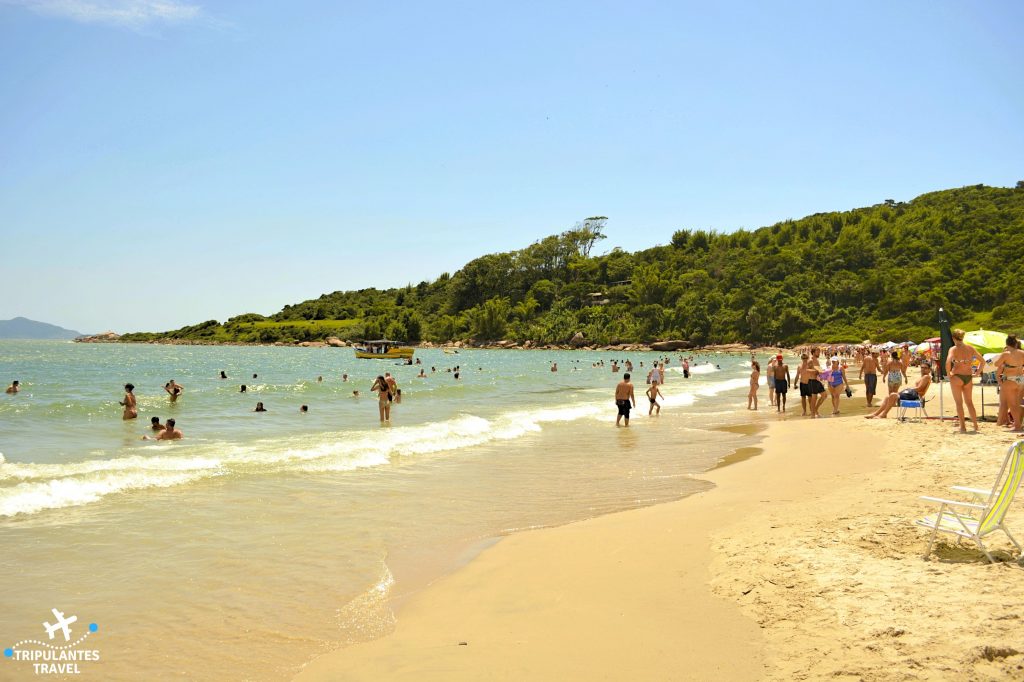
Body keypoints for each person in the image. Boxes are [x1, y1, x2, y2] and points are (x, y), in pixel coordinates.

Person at [946, 328, 985, 433]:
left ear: (953, 338)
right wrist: (977, 372)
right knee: (969, 402)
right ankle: (976, 425)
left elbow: (948, 361)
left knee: (959, 403)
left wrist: (948, 373)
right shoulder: (970, 348)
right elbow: (982, 361)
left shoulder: (953, 349)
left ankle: (963, 427)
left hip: (957, 376)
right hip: (968, 377)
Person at [866, 364, 932, 419]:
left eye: (925, 368)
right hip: (912, 395)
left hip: (916, 396)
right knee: (887, 397)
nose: (923, 369)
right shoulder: (923, 377)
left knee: (893, 395)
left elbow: (920, 388)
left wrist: (908, 389)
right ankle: (876, 414)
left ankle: (883, 414)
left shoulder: (926, 377)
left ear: (929, 370)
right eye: (922, 367)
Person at [993, 335, 1024, 433]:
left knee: (1012, 404)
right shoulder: (1022, 353)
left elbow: (996, 364)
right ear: (1015, 344)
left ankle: (1017, 426)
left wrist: (1004, 364)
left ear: (1007, 344)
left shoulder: (1006, 354)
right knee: (1018, 403)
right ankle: (1018, 424)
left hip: (1009, 379)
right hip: (1020, 379)